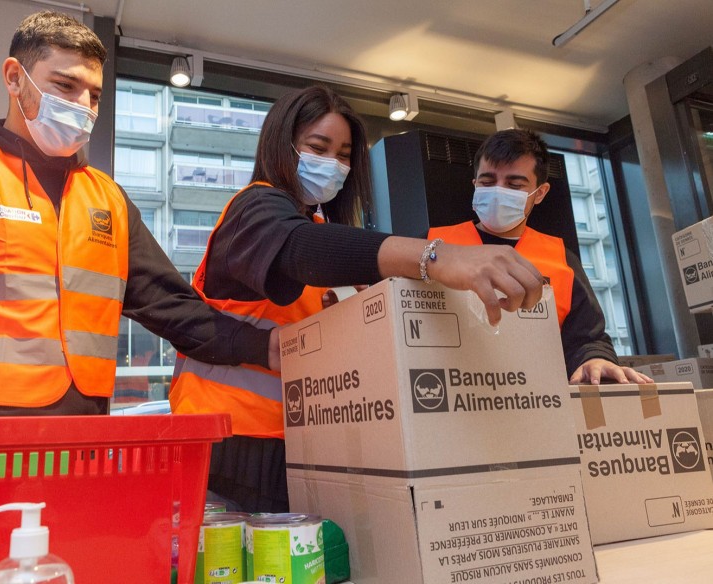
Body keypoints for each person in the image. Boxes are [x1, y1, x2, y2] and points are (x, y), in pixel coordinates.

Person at [0, 12, 279, 583]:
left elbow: (178, 310)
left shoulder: (108, 202)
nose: (84, 107)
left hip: (75, 457)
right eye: (65, 85)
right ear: (14, 78)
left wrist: (270, 347)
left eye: (94, 95)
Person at [169, 85, 548, 514]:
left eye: (345, 154)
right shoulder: (254, 209)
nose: (333, 164)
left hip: (302, 444)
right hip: (234, 446)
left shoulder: (313, 224)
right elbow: (301, 249)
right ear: (282, 143)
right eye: (319, 147)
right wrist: (434, 257)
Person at [427, 128, 652, 385]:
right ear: (475, 184)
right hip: (446, 392)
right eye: (488, 182)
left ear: (540, 193)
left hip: (534, 399)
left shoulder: (560, 260)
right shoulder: (432, 246)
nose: (499, 191)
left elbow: (587, 338)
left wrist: (595, 359)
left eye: (514, 184)